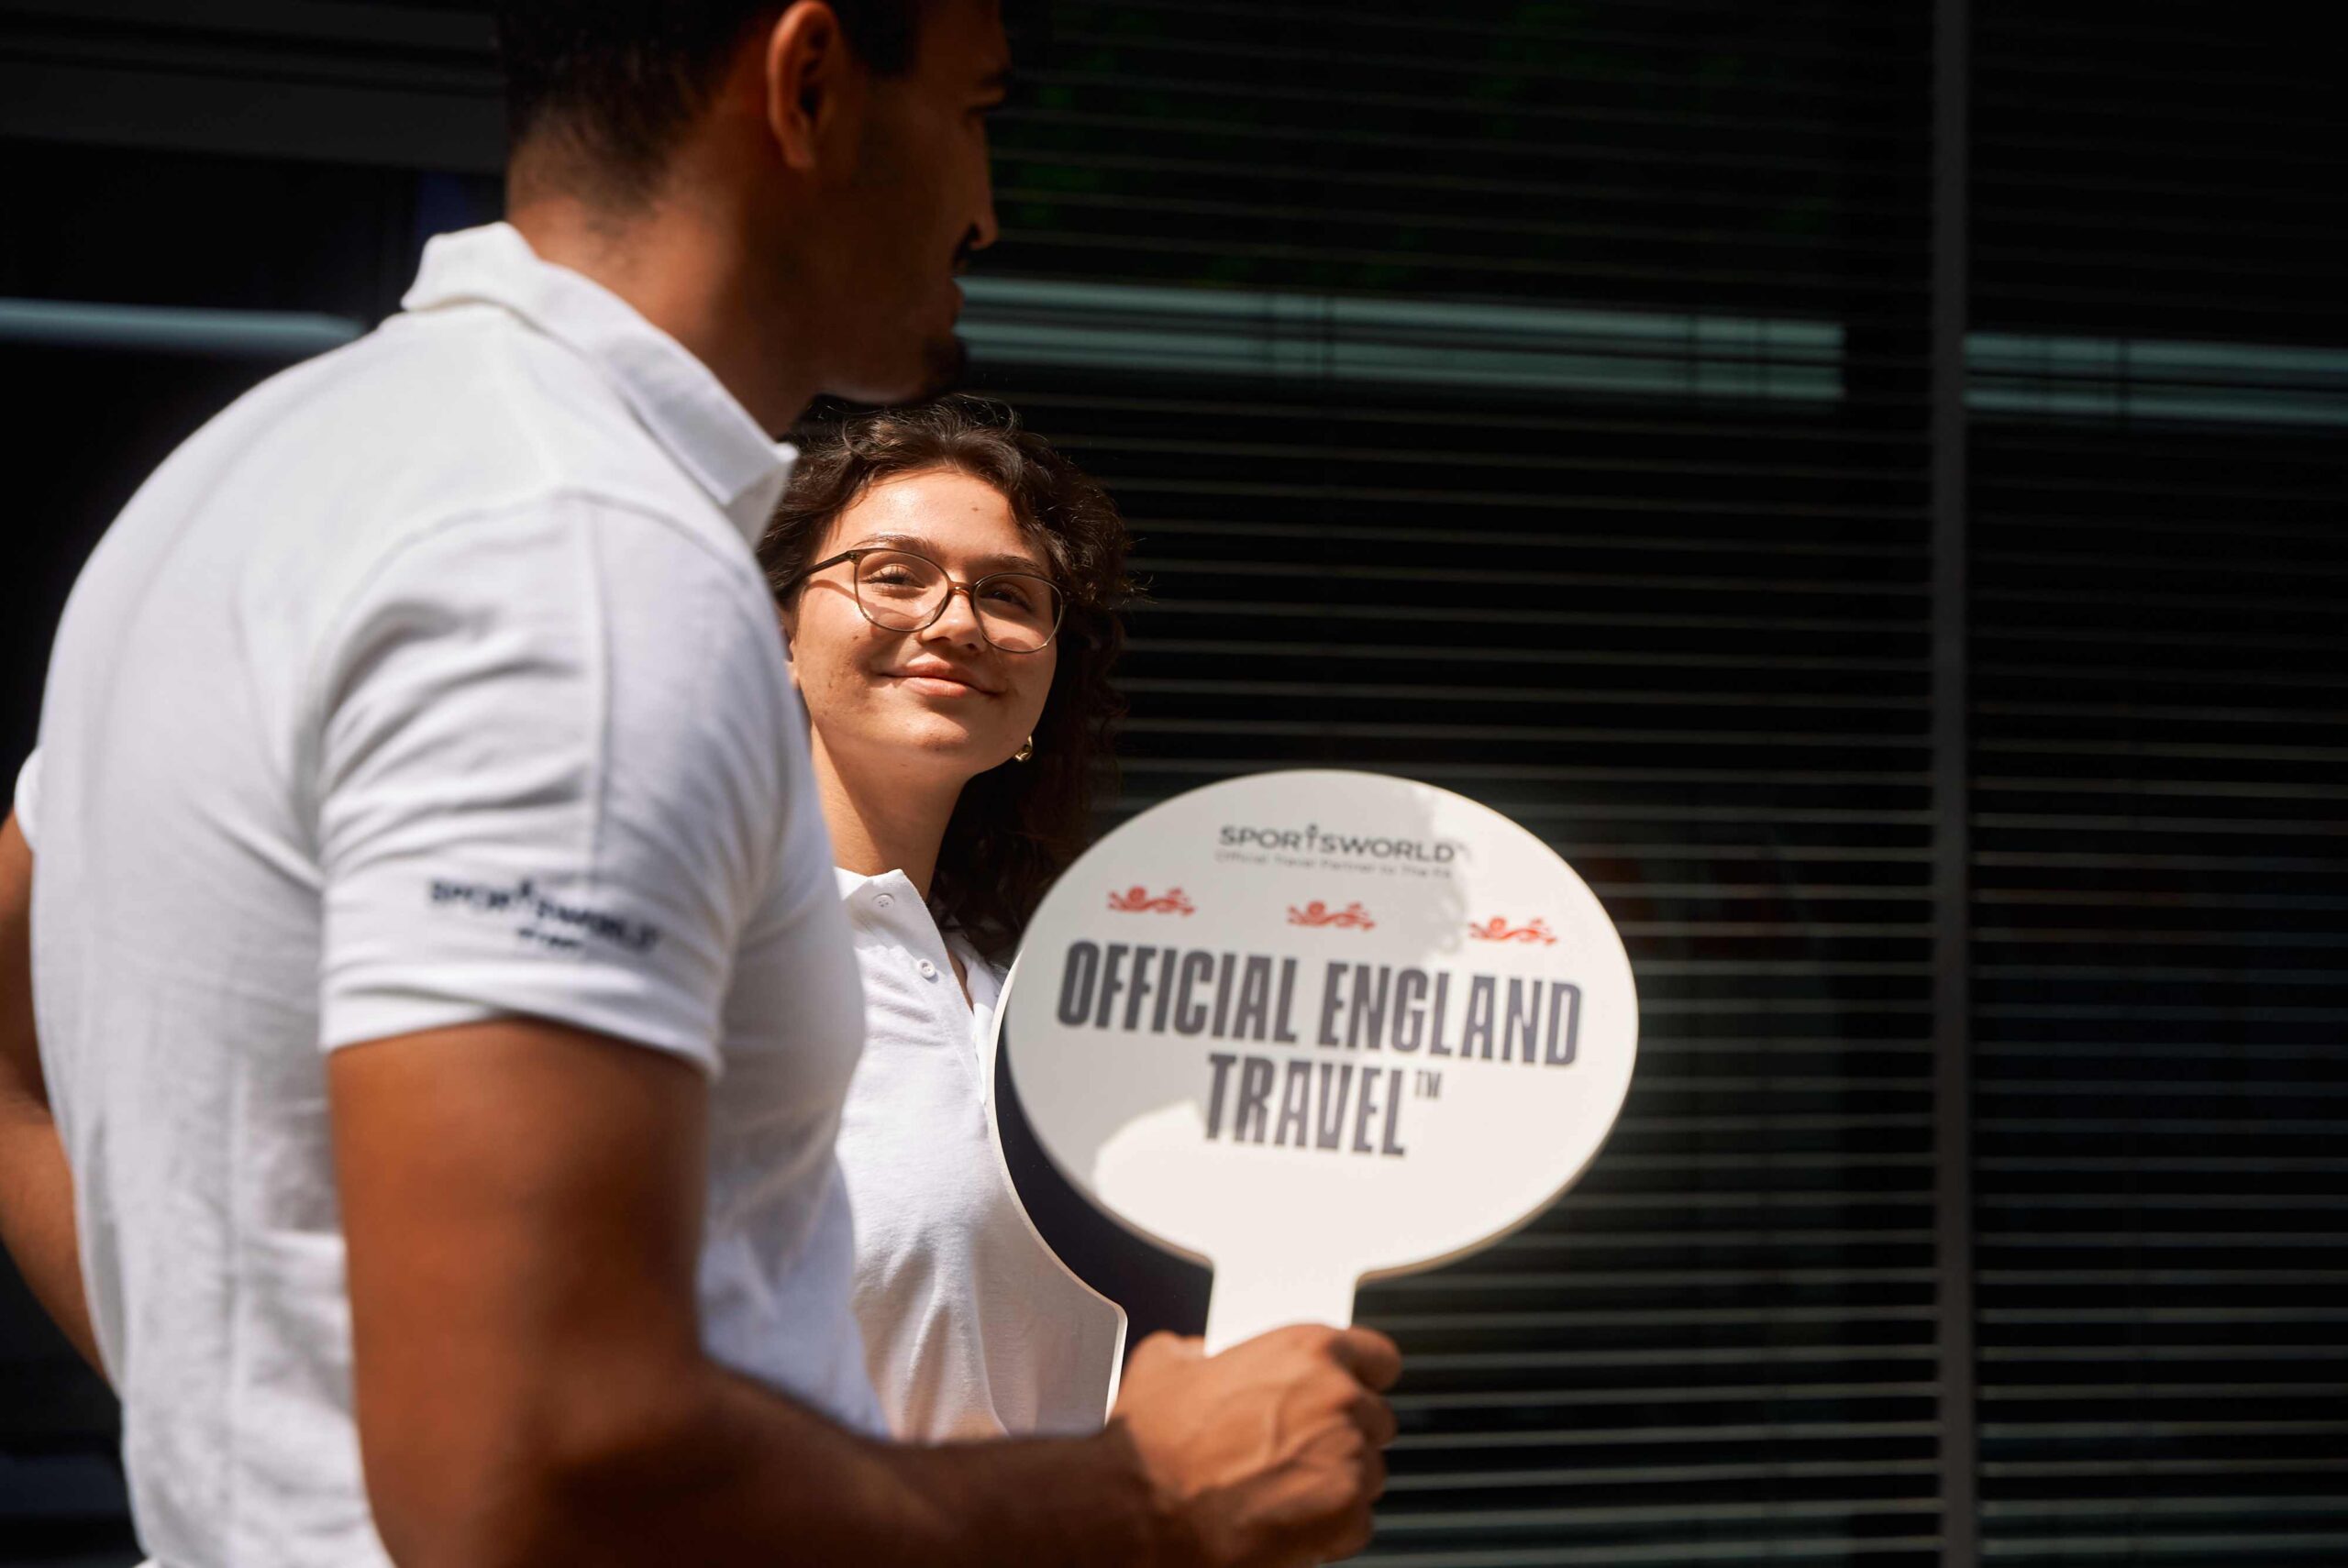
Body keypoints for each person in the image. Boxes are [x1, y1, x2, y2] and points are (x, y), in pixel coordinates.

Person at [0, 5, 1400, 1566]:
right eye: (974, 107)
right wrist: (1145, 1496)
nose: (988, 205)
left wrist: (238, 1401)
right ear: (807, 88)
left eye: (1016, 598)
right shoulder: (579, 562)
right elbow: (541, 1479)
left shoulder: (252, 476)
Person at [762, 395, 1132, 1441]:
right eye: (893, 575)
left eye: (1010, 594)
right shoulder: (698, 965)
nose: (957, 620)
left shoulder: (1049, 996)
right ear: (781, 626)